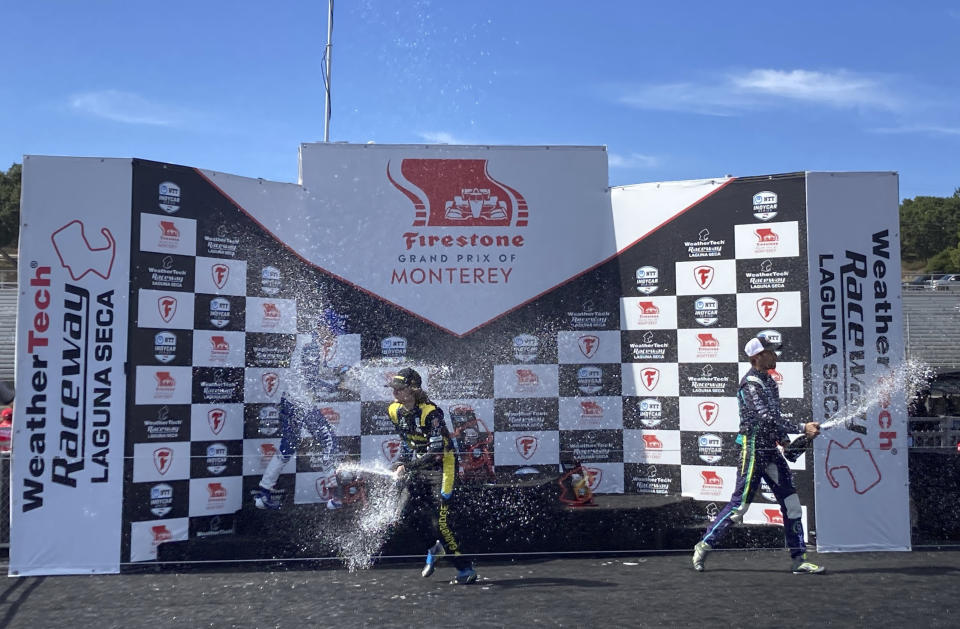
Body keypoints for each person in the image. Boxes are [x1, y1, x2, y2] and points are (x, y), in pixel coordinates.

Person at [692, 333, 825, 574]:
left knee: (792, 505)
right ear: (758, 356)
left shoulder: (770, 381)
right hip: (752, 448)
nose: (775, 355)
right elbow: (766, 418)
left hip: (770, 449)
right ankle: (704, 544)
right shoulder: (750, 383)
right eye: (771, 352)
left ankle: (799, 560)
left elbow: (773, 418)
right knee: (740, 506)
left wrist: (788, 441)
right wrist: (801, 428)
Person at [387, 367, 478, 585]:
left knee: (442, 524)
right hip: (418, 467)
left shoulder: (431, 413)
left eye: (399, 389)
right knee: (404, 515)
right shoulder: (393, 411)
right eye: (394, 389)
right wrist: (401, 462)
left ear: (413, 390)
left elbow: (436, 452)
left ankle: (465, 569)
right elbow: (407, 443)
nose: (395, 393)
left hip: (441, 468)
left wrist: (406, 466)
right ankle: (433, 548)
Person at [252, 309, 348, 510]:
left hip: (289, 401)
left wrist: (335, 372)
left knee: (287, 446)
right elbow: (311, 380)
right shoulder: (312, 347)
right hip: (301, 405)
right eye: (331, 332)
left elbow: (314, 371)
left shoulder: (309, 343)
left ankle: (263, 493)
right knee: (329, 440)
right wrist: (335, 386)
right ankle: (335, 496)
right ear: (322, 327)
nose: (331, 337)